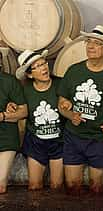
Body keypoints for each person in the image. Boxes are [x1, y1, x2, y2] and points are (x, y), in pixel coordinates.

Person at [57, 25, 103, 194]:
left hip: (99, 139)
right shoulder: (73, 71)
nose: (90, 46)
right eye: (88, 42)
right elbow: (62, 104)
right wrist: (70, 114)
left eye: (96, 43)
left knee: (97, 188)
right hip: (74, 137)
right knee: (72, 187)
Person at [10, 49, 65, 190]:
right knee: (34, 187)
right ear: (29, 74)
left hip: (58, 142)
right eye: (38, 66)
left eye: (44, 63)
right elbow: (19, 109)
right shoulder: (25, 91)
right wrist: (12, 106)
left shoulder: (61, 84)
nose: (44, 68)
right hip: (35, 143)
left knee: (56, 187)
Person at [0, 65, 27, 193]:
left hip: (6, 138)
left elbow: (24, 112)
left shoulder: (9, 81)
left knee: (0, 185)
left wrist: (3, 115)